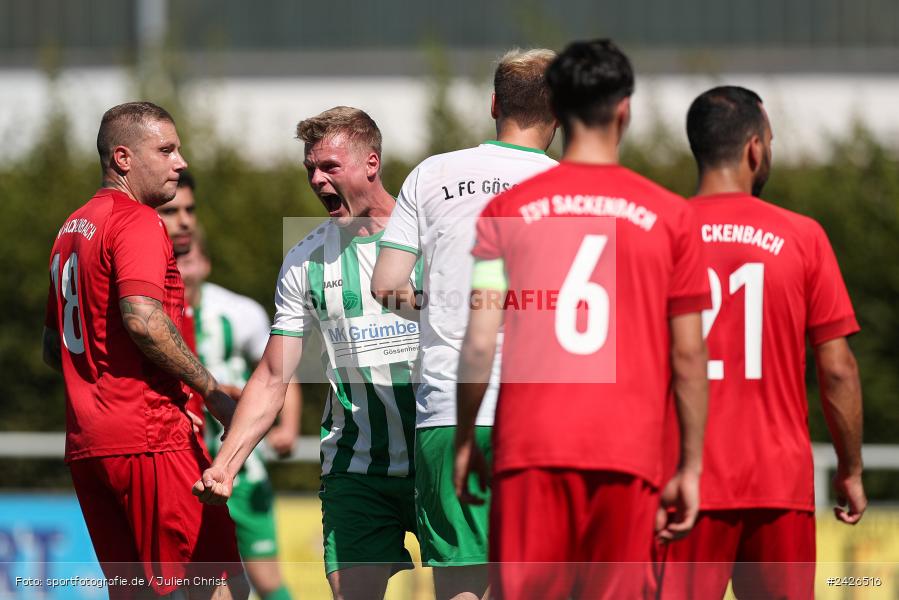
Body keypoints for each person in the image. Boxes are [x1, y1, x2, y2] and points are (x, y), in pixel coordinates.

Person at [453, 40, 711, 599]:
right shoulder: (671, 218)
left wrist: (468, 435)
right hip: (629, 453)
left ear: (557, 109)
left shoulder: (508, 210)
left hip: (529, 450)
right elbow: (690, 355)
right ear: (625, 110)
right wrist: (690, 466)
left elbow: (479, 340)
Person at [193, 107, 420, 600]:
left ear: (371, 163)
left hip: (439, 454)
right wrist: (227, 464)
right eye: (310, 169)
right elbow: (274, 374)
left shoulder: (434, 236)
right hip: (357, 469)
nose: (317, 180)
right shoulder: (304, 259)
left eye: (330, 167)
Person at [658, 86, 866, 600]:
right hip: (778, 482)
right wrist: (851, 469)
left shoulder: (658, 233)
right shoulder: (803, 236)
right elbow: (837, 369)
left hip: (682, 479)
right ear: (755, 148)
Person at [371, 48, 558, 600]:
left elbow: (386, 283)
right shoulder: (572, 186)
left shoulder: (434, 173)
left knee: (461, 585)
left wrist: (451, 304)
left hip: (450, 408)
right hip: (545, 415)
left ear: (494, 103)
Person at [42, 101, 248, 600]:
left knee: (134, 593)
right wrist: (211, 391)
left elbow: (54, 347)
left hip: (89, 444)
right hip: (149, 436)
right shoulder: (136, 221)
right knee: (222, 585)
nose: (180, 161)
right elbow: (143, 319)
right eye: (166, 149)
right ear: (123, 157)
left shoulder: (70, 228)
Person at [159, 177, 296, 600]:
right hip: (181, 466)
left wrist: (285, 426)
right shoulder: (148, 307)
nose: (187, 263)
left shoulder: (239, 311)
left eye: (193, 255)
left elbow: (277, 370)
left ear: (207, 261)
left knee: (264, 581)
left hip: (242, 470)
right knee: (189, 583)